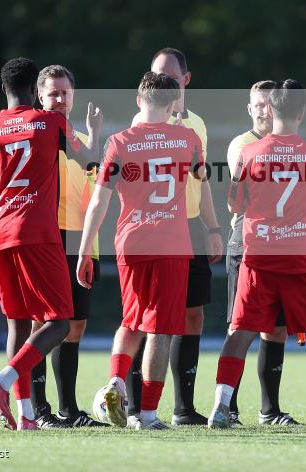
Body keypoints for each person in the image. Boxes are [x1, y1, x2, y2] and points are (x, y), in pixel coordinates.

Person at [208, 79, 306, 429]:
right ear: (302, 112)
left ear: (270, 109)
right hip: (300, 256)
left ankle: (220, 408)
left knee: (240, 332)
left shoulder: (249, 153)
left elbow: (234, 203)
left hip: (258, 254)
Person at [0, 57, 101, 431]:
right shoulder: (50, 123)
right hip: (38, 233)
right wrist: (94, 132)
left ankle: (25, 416)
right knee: (59, 322)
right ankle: (3, 381)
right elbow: (91, 162)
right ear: (33, 91)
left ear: (4, 88)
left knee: (18, 325)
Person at [76, 71, 205, 430]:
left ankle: (117, 381)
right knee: (160, 330)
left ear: (138, 100)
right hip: (172, 243)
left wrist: (85, 251)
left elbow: (99, 202)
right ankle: (146, 414)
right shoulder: (188, 137)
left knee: (131, 321)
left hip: (130, 242)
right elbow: (200, 177)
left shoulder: (119, 141)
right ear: (174, 103)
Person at [126, 48, 223, 426]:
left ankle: (183, 407)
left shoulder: (197, 124)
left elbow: (203, 180)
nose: (163, 80)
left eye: (169, 75)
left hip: (192, 225)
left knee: (192, 314)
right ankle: (136, 404)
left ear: (186, 79)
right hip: (155, 230)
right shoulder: (142, 122)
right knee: (146, 318)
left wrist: (213, 228)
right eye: (155, 74)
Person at [25, 64, 107, 428]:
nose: (59, 99)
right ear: (39, 96)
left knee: (75, 327)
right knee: (43, 324)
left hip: (82, 240)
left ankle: (68, 410)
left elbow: (95, 189)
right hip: (48, 237)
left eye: (65, 93)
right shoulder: (33, 133)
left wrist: (95, 137)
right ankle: (38, 409)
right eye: (52, 93)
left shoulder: (75, 137)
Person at [224, 80, 299, 425]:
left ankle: (270, 410)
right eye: (257, 104)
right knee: (240, 327)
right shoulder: (244, 144)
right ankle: (228, 407)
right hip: (248, 242)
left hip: (282, 244)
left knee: (277, 329)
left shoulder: (288, 145)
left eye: (269, 102)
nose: (264, 108)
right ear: (249, 108)